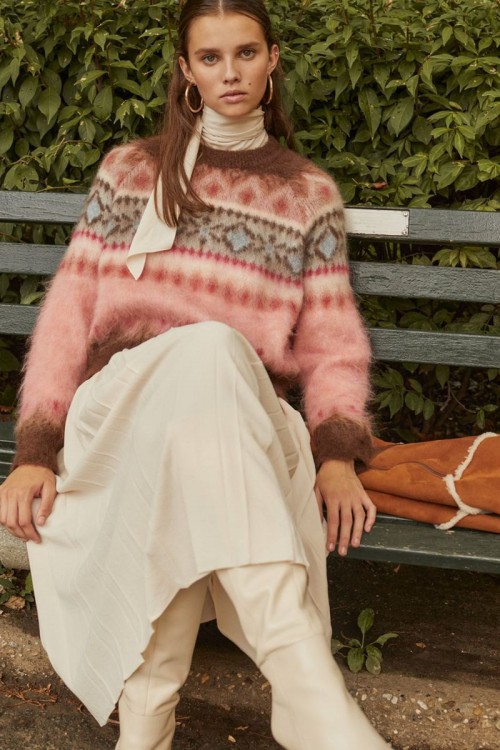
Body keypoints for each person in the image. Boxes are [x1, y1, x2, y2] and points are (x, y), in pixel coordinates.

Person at [0, 1, 392, 748]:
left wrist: (338, 456)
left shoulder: (308, 193)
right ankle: (307, 686)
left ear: (272, 60)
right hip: (121, 409)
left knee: (205, 387)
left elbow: (333, 343)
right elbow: (68, 315)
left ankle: (145, 733)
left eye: (245, 53)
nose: (230, 72)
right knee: (205, 350)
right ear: (186, 70)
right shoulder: (131, 171)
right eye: (211, 58)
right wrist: (35, 451)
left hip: (239, 420)